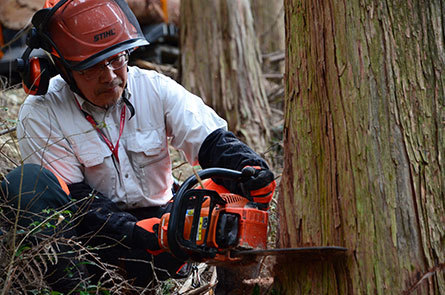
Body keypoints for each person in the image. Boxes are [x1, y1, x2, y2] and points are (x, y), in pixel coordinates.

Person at [2, 0, 276, 292]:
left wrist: (249, 169)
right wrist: (133, 232)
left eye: (116, 59)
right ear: (63, 68)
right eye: (93, 67)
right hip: (93, 242)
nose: (109, 76)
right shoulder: (42, 112)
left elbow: (211, 140)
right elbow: (78, 202)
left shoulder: (154, 87)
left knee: (219, 194)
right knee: (27, 183)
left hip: (164, 223)